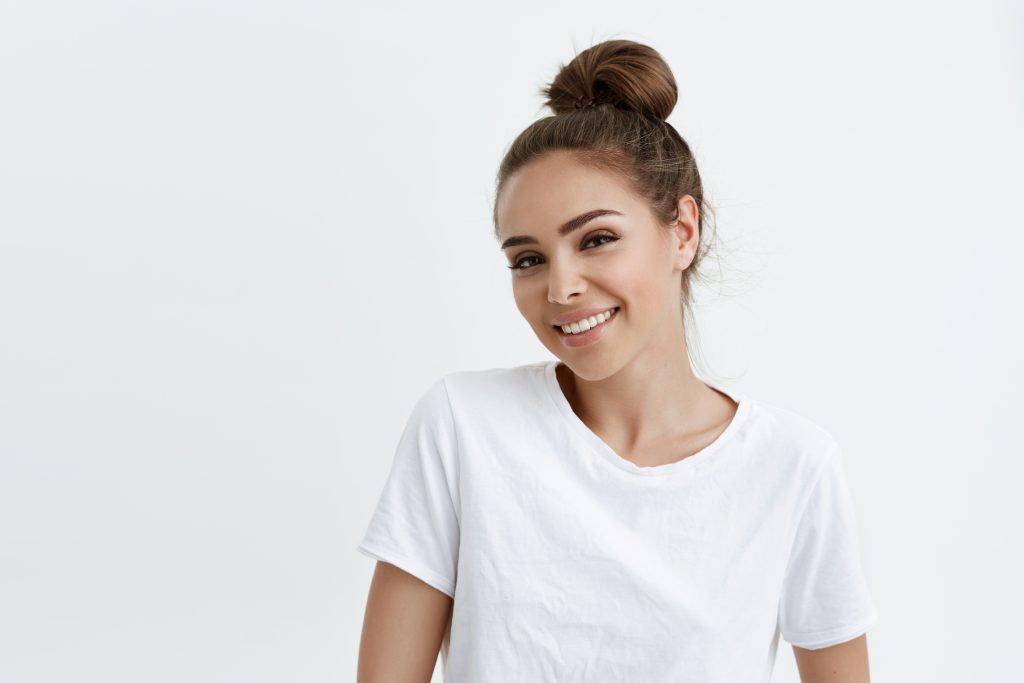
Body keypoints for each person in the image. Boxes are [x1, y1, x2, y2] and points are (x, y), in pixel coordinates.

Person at [355, 39, 878, 682]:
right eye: (528, 259)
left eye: (596, 239)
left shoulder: (792, 468)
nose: (559, 288)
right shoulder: (463, 427)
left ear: (682, 232)